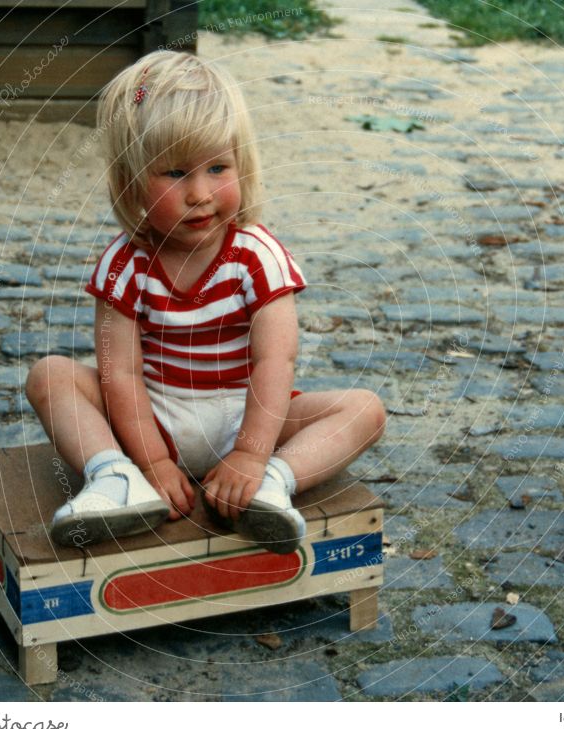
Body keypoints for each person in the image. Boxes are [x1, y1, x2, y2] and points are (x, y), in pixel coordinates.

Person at [25, 50, 386, 554]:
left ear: (243, 163)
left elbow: (274, 360)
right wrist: (151, 462)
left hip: (248, 416)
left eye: (218, 167)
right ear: (131, 180)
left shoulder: (257, 256)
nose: (200, 193)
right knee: (50, 376)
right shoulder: (124, 265)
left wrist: (253, 454)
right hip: (150, 418)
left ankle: (271, 485)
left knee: (364, 411)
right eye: (174, 173)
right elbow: (120, 374)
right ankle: (115, 478)